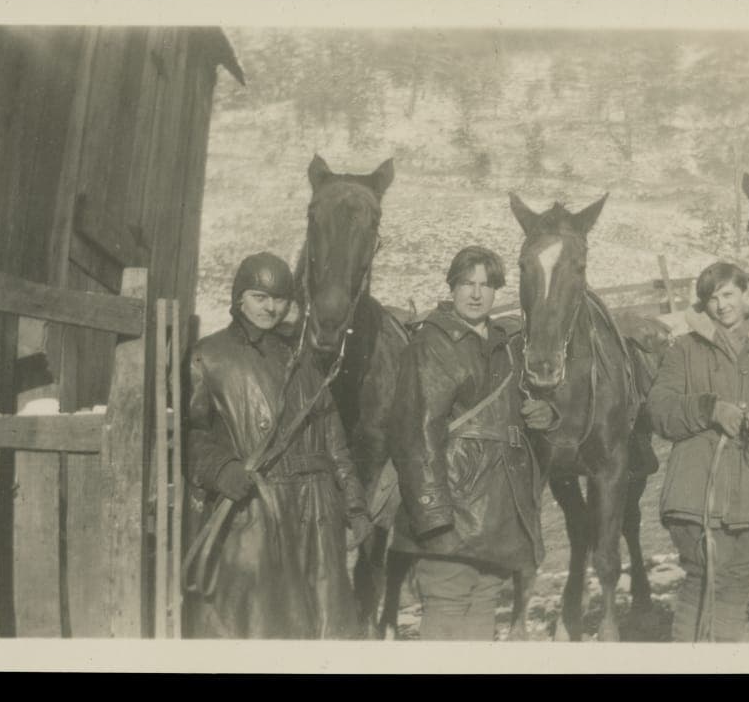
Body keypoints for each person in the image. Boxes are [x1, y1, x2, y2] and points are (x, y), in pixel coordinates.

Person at [185, 251, 372, 639]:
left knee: (324, 633)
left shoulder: (302, 358)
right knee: (257, 629)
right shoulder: (209, 355)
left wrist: (354, 504)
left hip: (316, 512)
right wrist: (220, 469)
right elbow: (191, 435)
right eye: (260, 297)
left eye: (280, 299)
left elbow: (334, 439)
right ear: (239, 297)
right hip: (255, 510)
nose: (270, 308)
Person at [388, 246, 555, 641]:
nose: (476, 294)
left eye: (486, 285)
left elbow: (514, 409)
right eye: (467, 284)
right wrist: (433, 515)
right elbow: (415, 434)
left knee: (482, 610)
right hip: (452, 514)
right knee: (447, 611)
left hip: (496, 516)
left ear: (496, 291)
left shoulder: (505, 344)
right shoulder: (431, 344)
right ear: (451, 287)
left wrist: (546, 414)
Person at [647, 261, 749, 642]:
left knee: (737, 580)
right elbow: (659, 409)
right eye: (712, 299)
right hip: (697, 492)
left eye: (728, 295)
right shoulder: (684, 351)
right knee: (701, 577)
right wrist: (708, 409)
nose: (722, 305)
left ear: (746, 293)